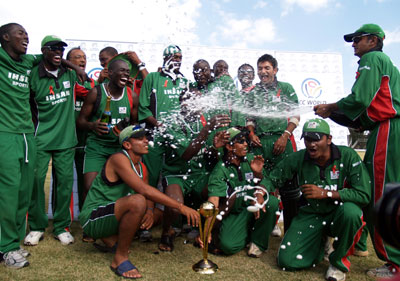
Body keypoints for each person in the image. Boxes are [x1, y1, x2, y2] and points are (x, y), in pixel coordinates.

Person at [314, 23, 400, 278]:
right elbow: (364, 115)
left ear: (373, 41)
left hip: (388, 131)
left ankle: (395, 264)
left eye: (357, 39)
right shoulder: (383, 62)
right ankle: (368, 247)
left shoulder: (372, 58)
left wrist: (331, 107)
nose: (353, 44)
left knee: (381, 194)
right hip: (384, 129)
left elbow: (360, 100)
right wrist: (337, 115)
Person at [78, 125, 200, 279]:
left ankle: (110, 238)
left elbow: (148, 196)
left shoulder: (142, 167)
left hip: (112, 214)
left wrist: (149, 212)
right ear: (127, 144)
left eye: (146, 137)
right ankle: (119, 259)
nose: (146, 141)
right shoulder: (118, 159)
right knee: (137, 202)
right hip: (93, 217)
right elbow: (144, 190)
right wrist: (181, 207)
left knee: (158, 214)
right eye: (140, 138)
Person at [268, 118, 371, 281]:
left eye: (316, 139)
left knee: (351, 212)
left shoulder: (348, 156)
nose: (311, 144)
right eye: (308, 139)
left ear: (329, 139)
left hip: (339, 214)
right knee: (287, 261)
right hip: (311, 215)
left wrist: (326, 193)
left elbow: (364, 194)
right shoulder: (300, 157)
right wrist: (261, 190)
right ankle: (319, 243)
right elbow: (274, 178)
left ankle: (337, 263)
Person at [25, 35, 86, 247]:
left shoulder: (69, 74)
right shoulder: (33, 75)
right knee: (35, 182)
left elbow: (85, 80)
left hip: (66, 139)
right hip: (40, 138)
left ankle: (61, 227)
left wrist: (75, 67)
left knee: (64, 185)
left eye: (61, 49)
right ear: (43, 51)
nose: (58, 52)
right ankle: (36, 226)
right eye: (53, 48)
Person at [159, 89, 231, 251]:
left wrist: (214, 147)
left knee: (221, 195)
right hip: (176, 173)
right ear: (183, 103)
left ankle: (208, 232)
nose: (199, 106)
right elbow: (186, 154)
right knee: (174, 205)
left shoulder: (201, 121)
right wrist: (207, 130)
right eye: (193, 101)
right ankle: (167, 231)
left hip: (198, 173)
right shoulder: (172, 123)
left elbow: (205, 153)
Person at [200, 127, 279, 257]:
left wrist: (257, 174)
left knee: (272, 202)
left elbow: (267, 183)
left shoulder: (251, 159)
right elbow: (213, 202)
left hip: (252, 206)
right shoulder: (220, 170)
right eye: (241, 141)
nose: (246, 144)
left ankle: (257, 242)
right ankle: (246, 233)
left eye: (246, 141)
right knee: (228, 246)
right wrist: (206, 232)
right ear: (230, 147)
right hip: (235, 213)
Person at [0, 22, 41, 268]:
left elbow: (46, 55)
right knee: (7, 194)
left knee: (23, 194)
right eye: (20, 33)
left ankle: (12, 245)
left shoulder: (27, 62)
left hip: (28, 135)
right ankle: (5, 247)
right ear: (5, 37)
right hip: (5, 134)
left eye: (27, 33)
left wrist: (74, 67)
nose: (26, 37)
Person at [77, 58, 139, 203]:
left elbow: (136, 125)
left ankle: (112, 220)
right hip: (97, 147)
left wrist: (128, 130)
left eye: (128, 72)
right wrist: (93, 126)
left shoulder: (132, 96)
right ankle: (88, 222)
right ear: (110, 73)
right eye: (122, 71)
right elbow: (80, 121)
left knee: (120, 188)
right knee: (90, 186)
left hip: (119, 148)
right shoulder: (96, 92)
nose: (125, 74)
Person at [138, 44, 189, 188]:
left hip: (177, 135)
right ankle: (148, 209)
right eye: (175, 57)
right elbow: (143, 107)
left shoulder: (184, 81)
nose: (178, 60)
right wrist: (158, 124)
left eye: (180, 58)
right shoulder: (152, 78)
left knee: (175, 176)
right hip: (154, 135)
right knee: (151, 177)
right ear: (166, 58)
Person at [66, 47, 96, 212]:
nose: (82, 60)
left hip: (85, 141)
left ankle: (86, 217)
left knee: (86, 182)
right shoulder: (65, 81)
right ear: (69, 62)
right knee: (62, 182)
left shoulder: (92, 83)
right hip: (66, 140)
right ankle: (62, 220)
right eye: (78, 57)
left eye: (84, 57)